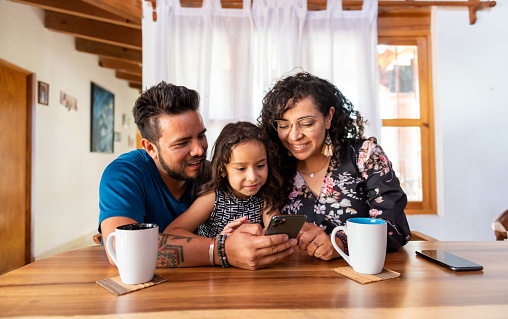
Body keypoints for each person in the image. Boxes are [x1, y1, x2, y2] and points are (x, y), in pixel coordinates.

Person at [99, 81, 296, 269]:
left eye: (201, 135)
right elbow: (124, 249)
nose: (199, 150)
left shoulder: (216, 175)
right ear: (151, 148)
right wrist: (222, 250)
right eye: (182, 143)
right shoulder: (124, 175)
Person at [259, 71, 411, 261]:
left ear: (328, 117)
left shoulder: (365, 156)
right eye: (284, 125)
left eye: (306, 123)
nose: (294, 136)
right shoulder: (271, 166)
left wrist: (341, 243)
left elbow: (396, 228)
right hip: (293, 282)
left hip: (359, 282)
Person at [165, 122, 283, 267]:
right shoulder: (213, 198)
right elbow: (171, 232)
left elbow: (279, 234)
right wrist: (220, 243)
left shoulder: (265, 199)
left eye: (260, 166)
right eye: (241, 168)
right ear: (222, 169)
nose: (253, 177)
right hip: (212, 274)